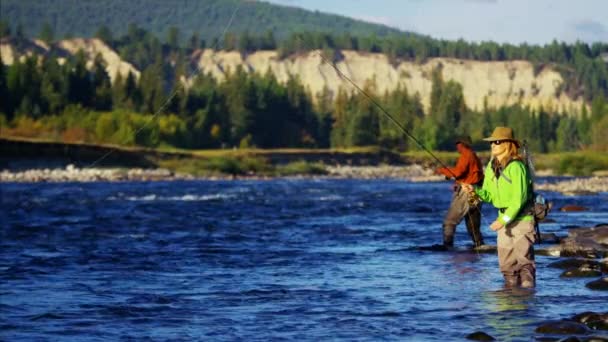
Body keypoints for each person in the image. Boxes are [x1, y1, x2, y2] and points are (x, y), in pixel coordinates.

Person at [462, 127, 536, 288]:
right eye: (491, 142)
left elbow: (519, 199)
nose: (493, 145)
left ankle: (527, 305)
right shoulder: (491, 167)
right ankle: (509, 301)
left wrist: (502, 221)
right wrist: (475, 190)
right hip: (504, 221)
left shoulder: (517, 167)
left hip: (522, 220)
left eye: (497, 142)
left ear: (509, 144)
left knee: (525, 265)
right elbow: (489, 195)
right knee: (507, 267)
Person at [435, 136, 484, 248]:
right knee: (473, 223)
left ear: (461, 144)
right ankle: (480, 246)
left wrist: (442, 170)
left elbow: (458, 172)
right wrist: (457, 182)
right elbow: (468, 174)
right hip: (475, 191)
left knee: (449, 222)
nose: (456, 146)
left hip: (466, 192)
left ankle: (447, 246)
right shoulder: (473, 155)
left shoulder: (466, 155)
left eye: (457, 144)